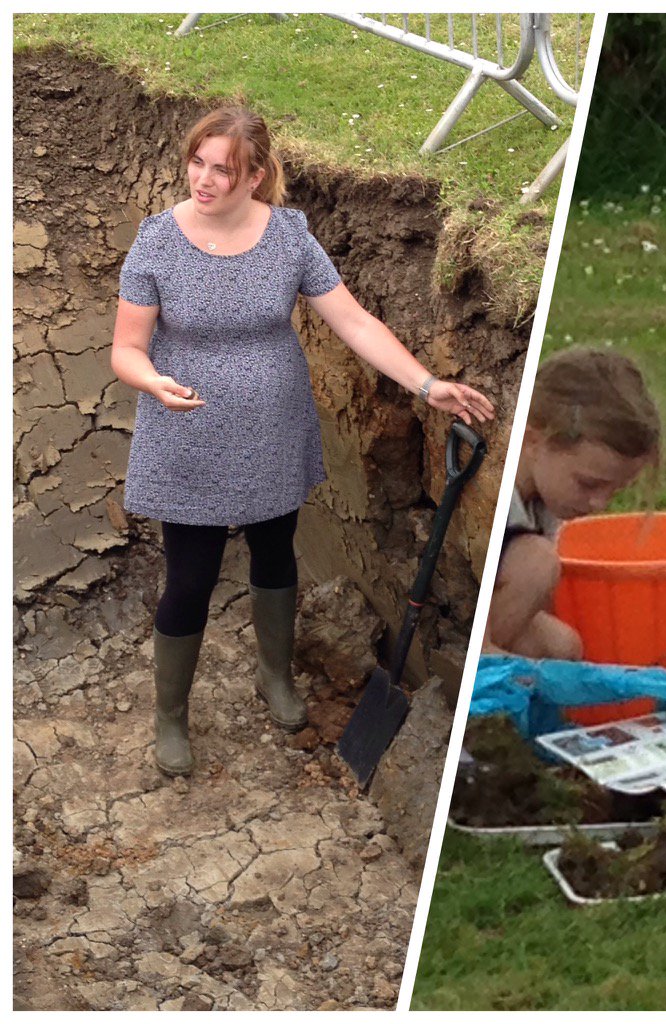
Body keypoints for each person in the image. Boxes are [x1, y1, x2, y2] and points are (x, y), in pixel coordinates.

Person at [112, 107, 494, 777]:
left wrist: (425, 382)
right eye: (196, 163)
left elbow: (352, 320)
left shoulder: (289, 238)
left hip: (273, 428)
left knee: (274, 552)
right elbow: (126, 348)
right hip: (187, 433)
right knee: (190, 579)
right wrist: (153, 383)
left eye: (221, 169)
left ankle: (275, 676)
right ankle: (170, 718)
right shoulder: (156, 243)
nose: (202, 179)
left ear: (256, 176)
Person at [483, 348, 660, 660]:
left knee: (561, 647)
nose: (600, 503)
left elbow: (541, 604)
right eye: (589, 484)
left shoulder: (549, 493)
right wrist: (516, 670)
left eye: (616, 490)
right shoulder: (493, 491)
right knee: (537, 563)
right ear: (532, 441)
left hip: (494, 617)